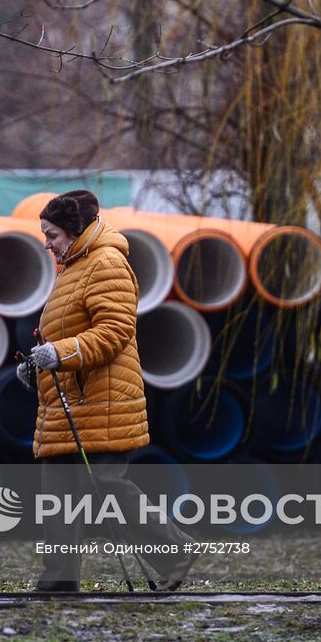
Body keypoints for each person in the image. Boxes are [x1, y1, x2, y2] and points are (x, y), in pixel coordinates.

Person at [23, 189, 196, 592]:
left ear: (75, 231)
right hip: (68, 403)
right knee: (58, 494)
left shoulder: (106, 263)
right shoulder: (73, 267)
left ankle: (176, 551)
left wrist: (59, 353)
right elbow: (68, 331)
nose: (46, 243)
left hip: (103, 402)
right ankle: (59, 580)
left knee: (106, 485)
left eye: (52, 235)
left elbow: (115, 332)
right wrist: (37, 366)